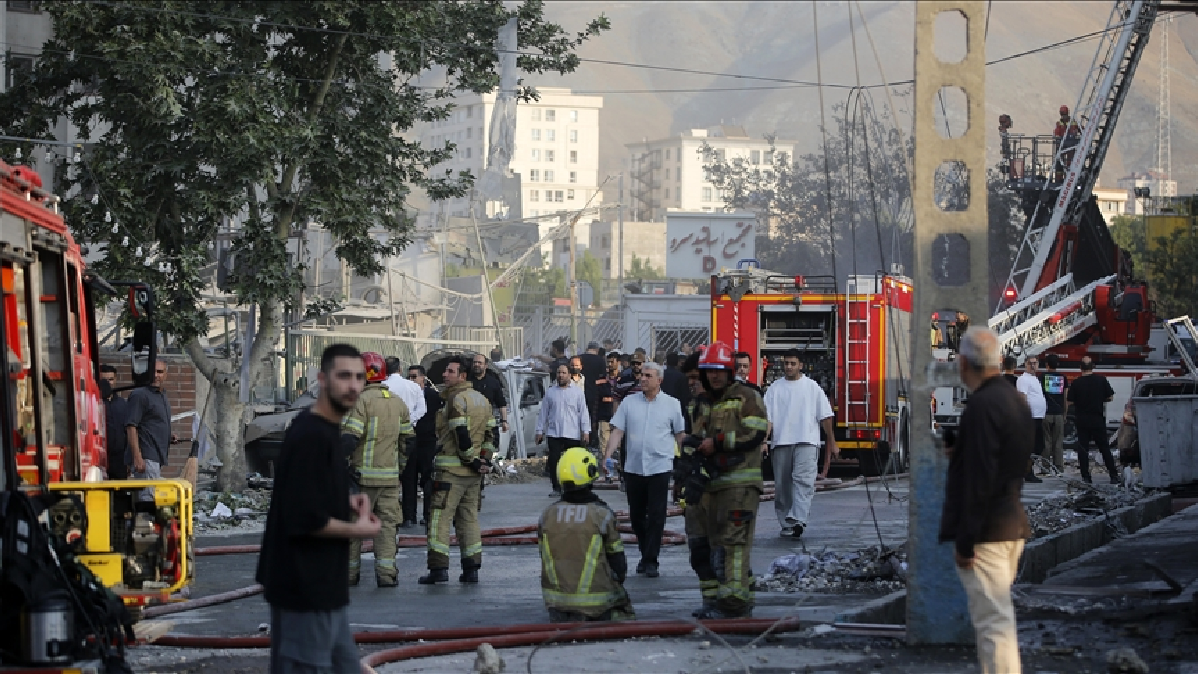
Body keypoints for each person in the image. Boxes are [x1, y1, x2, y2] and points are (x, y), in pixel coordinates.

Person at [257, 344, 381, 674]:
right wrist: (360, 530)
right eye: (344, 376)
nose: (353, 385)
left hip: (324, 590)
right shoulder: (312, 435)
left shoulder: (321, 428)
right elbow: (302, 518)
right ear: (322, 379)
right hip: (305, 589)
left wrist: (345, 500)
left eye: (359, 377)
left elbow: (305, 492)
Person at [939, 327, 1032, 674]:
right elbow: (1004, 461)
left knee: (994, 624)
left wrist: (965, 541)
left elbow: (980, 480)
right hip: (1011, 522)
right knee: (998, 620)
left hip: (987, 533)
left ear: (964, 363)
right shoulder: (1015, 400)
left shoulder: (981, 406)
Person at [679, 341, 768, 619]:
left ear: (730, 370)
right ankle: (719, 600)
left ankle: (734, 606)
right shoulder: (700, 404)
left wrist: (716, 443)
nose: (713, 376)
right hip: (709, 486)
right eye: (708, 371)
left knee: (733, 545)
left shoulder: (747, 397)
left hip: (739, 485)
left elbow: (755, 433)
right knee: (706, 548)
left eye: (719, 370)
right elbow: (695, 439)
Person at [603, 362, 685, 579]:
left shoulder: (672, 404)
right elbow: (617, 431)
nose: (643, 379)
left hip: (660, 466)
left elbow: (679, 435)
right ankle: (644, 553)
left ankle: (651, 560)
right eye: (642, 375)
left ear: (659, 380)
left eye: (648, 376)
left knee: (657, 516)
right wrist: (608, 455)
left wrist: (686, 460)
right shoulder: (629, 403)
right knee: (638, 517)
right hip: (634, 467)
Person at [421, 356, 496, 585]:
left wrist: (470, 459)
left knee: (439, 520)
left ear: (463, 376)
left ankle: (439, 569)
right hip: (473, 477)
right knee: (469, 520)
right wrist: (483, 461)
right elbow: (490, 437)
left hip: (450, 474)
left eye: (450, 372)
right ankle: (471, 569)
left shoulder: (456, 400)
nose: (445, 375)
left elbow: (460, 433)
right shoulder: (483, 401)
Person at [538, 447, 635, 623]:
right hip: (597, 605)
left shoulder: (547, 515)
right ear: (590, 473)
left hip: (556, 606)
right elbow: (619, 565)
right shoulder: (602, 515)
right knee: (626, 614)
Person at [343, 352, 413, 587]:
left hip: (362, 479)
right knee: (387, 528)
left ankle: (349, 575)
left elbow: (350, 439)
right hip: (390, 480)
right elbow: (409, 441)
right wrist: (399, 468)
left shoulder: (360, 402)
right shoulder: (396, 402)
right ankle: (386, 575)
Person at [763, 348, 838, 539]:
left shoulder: (812, 387)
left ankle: (798, 518)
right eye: (786, 363)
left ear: (800, 365)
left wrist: (833, 442)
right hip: (781, 443)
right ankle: (786, 524)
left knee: (804, 481)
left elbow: (825, 417)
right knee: (783, 486)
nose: (788, 367)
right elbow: (768, 419)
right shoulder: (774, 389)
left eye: (792, 363)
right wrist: (764, 440)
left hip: (807, 441)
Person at [536, 363, 590, 499]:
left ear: (570, 375)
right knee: (554, 461)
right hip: (554, 433)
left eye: (564, 373)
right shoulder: (550, 392)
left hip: (572, 434)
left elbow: (583, 413)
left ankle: (572, 487)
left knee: (572, 462)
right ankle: (556, 487)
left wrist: (586, 431)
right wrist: (539, 430)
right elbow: (543, 413)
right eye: (559, 373)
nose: (561, 375)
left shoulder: (577, 393)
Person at [126, 360, 176, 501]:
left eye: (160, 372)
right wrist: (137, 457)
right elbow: (131, 426)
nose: (156, 376)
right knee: (149, 499)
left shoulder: (161, 395)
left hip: (156, 456)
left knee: (150, 497)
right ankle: (147, 523)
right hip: (146, 457)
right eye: (153, 372)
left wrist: (168, 436)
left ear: (166, 374)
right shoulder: (140, 395)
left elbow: (151, 424)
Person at [402, 364, 442, 528]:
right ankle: (408, 516)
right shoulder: (405, 395)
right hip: (410, 442)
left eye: (414, 377)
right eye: (409, 377)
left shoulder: (432, 396)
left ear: (423, 378)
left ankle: (427, 515)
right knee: (408, 480)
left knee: (428, 480)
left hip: (427, 443)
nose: (411, 380)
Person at [1067, 358, 1119, 484]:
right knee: (1104, 448)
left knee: (1083, 449)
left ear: (1080, 368)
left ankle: (1086, 476)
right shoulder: (1101, 380)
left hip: (1082, 419)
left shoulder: (1076, 383)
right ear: (1093, 367)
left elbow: (1070, 401)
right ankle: (1113, 475)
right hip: (1097, 418)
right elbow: (1110, 397)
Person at [1015, 355, 1046, 483]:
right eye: (1030, 363)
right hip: (1030, 417)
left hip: (1038, 416)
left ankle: (1027, 469)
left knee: (1039, 446)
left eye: (1035, 363)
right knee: (1032, 446)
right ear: (1025, 365)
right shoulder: (1023, 379)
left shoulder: (1035, 379)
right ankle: (1027, 472)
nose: (1033, 366)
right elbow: (1022, 397)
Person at [100, 364, 130, 480]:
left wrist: (128, 460)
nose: (108, 383)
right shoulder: (95, 403)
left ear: (116, 380)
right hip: (101, 459)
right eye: (105, 380)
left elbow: (128, 432)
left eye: (111, 379)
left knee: (120, 494)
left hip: (120, 460)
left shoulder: (123, 404)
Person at [1040, 354, 1069, 473]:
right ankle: (1059, 468)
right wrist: (1065, 414)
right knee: (1058, 442)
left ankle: (1045, 468)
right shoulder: (1063, 378)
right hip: (1058, 414)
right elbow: (1065, 398)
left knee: (1046, 441)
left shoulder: (1042, 377)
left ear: (1047, 365)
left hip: (1045, 413)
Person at [382, 356, 427, 431]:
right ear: (400, 369)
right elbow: (422, 409)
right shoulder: (414, 386)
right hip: (408, 428)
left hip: (387, 428)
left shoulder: (382, 385)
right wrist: (409, 420)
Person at [469, 353, 510, 435]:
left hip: (488, 426)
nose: (476, 364)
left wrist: (504, 421)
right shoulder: (466, 381)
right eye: (475, 362)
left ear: (486, 366)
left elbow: (501, 404)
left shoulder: (493, 383)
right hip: (470, 426)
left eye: (479, 363)